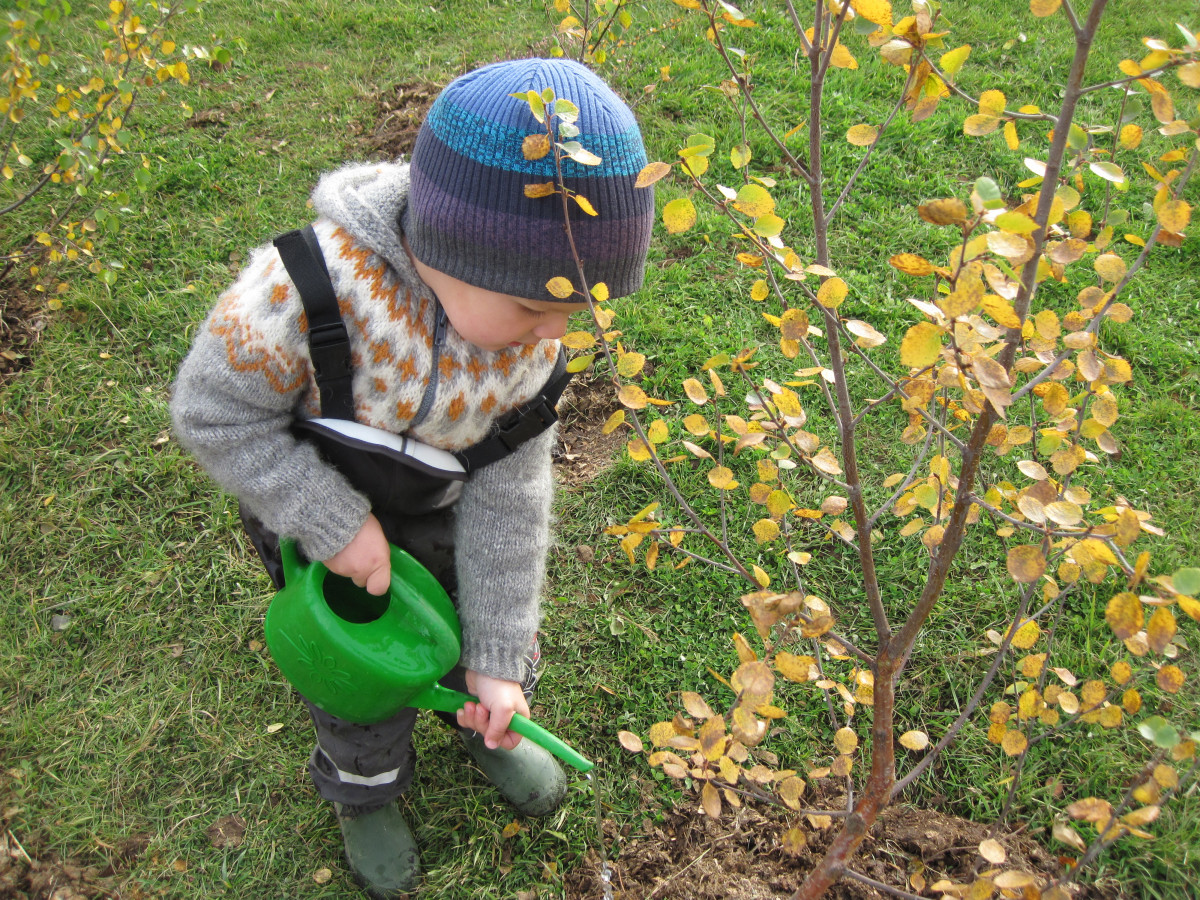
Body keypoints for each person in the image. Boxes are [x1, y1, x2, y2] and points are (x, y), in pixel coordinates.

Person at [170, 57, 654, 897]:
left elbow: (509, 490)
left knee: (479, 639)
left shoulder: (524, 349)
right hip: (317, 513)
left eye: (576, 314)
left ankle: (483, 722)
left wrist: (500, 656)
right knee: (359, 674)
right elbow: (212, 413)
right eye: (536, 309)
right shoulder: (300, 293)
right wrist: (330, 521)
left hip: (443, 507)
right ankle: (365, 790)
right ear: (448, 247)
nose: (551, 335)